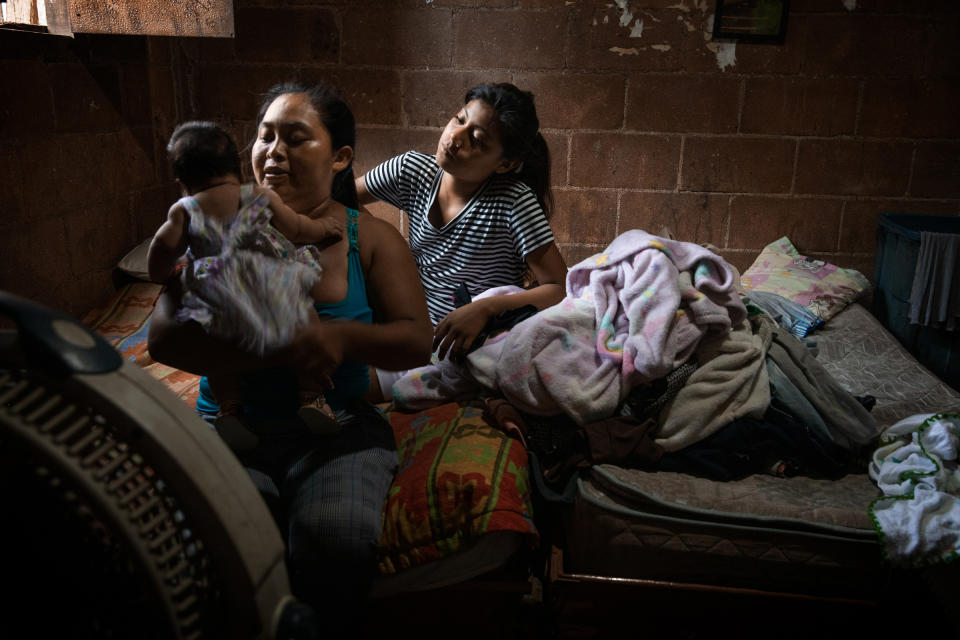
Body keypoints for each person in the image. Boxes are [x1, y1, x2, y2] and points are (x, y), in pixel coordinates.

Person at [147, 82, 432, 623]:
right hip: (231, 430)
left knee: (334, 542)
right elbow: (161, 339)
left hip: (337, 431)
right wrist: (281, 350)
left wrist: (340, 338)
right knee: (218, 545)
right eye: (264, 136)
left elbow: (418, 340)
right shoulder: (214, 231)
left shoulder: (367, 239)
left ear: (342, 157)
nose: (273, 152)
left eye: (295, 138)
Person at [356, 82, 568, 399]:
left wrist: (485, 308)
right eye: (459, 119)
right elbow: (338, 195)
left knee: (351, 385)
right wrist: (384, 247)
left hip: (469, 344)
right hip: (409, 323)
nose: (456, 138)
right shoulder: (411, 170)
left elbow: (560, 287)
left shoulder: (513, 201)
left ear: (505, 164)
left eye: (477, 141)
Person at [148, 120, 346, 445]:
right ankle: (312, 397)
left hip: (218, 297)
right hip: (268, 284)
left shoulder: (184, 209)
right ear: (238, 166)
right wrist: (324, 228)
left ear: (182, 182)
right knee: (305, 317)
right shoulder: (256, 194)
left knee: (219, 355)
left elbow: (161, 250)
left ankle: (229, 410)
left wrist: (163, 273)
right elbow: (297, 229)